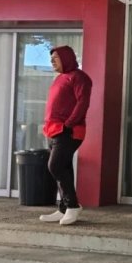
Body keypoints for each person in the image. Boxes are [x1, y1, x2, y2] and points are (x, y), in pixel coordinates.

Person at [39, 46, 92, 226]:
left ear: (66, 58)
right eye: (51, 58)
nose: (52, 61)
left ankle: (73, 206)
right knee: (65, 167)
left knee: (55, 165)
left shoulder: (80, 77)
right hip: (53, 130)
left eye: (55, 58)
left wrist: (69, 124)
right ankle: (64, 208)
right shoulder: (59, 78)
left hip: (69, 131)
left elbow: (83, 103)